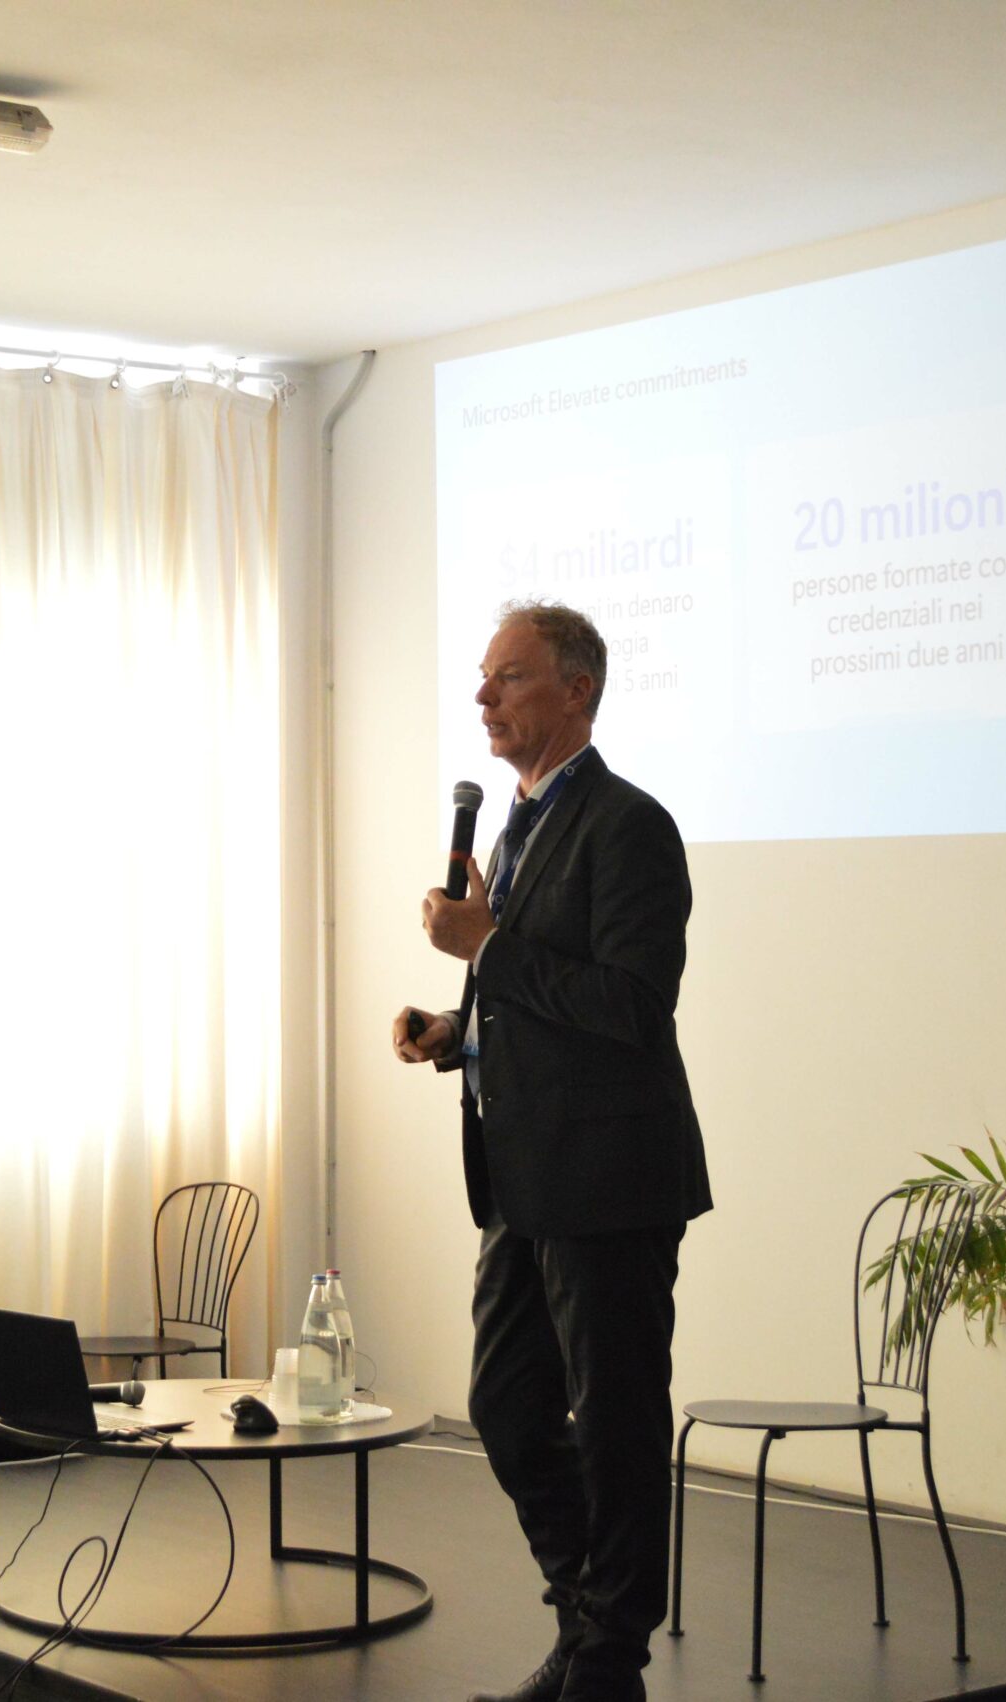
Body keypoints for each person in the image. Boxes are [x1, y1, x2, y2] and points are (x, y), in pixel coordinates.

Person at [395, 600, 711, 1702]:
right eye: (485, 677)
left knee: (616, 1425)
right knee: (507, 1407)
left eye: (510, 676)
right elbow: (532, 993)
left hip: (610, 1181)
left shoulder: (629, 826)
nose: (483, 695)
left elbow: (630, 1005)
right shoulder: (518, 825)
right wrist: (455, 1030)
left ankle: (607, 1661)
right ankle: (585, 1625)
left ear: (577, 690)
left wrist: (485, 946)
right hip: (522, 1177)